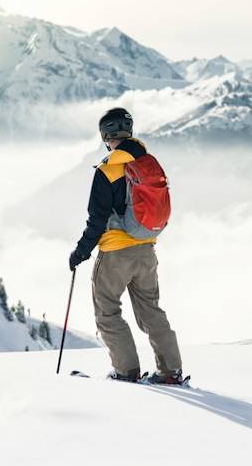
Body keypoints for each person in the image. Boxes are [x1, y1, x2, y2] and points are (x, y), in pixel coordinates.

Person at [69, 107, 184, 385]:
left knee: (107, 311)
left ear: (106, 135)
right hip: (147, 250)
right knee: (151, 311)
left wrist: (80, 252)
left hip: (115, 254)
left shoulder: (108, 170)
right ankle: (171, 372)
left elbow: (96, 220)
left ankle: (126, 371)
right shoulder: (148, 163)